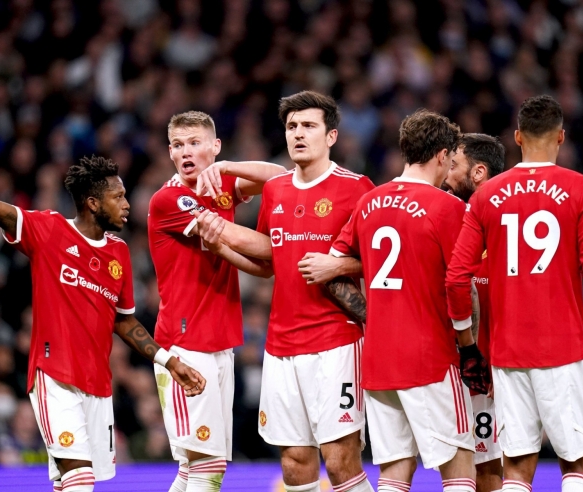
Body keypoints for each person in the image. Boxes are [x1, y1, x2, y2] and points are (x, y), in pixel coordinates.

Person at [0, 144, 205, 492]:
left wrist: (169, 361)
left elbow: (124, 321)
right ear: (93, 203)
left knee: (72, 483)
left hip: (98, 385)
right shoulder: (49, 230)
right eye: (118, 197)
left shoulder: (118, 252)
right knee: (80, 478)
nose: (127, 204)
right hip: (54, 376)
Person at [445, 95, 583, 492]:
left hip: (508, 351)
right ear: (561, 137)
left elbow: (457, 278)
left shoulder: (486, 195)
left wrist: (468, 348)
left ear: (517, 137)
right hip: (564, 346)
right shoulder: (582, 188)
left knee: (516, 468)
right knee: (577, 463)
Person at [194, 91, 376, 492]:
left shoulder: (357, 188)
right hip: (281, 344)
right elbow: (270, 261)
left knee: (340, 459)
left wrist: (339, 265)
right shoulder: (276, 190)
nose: (298, 134)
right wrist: (221, 246)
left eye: (309, 125)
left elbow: (382, 263)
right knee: (293, 462)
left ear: (331, 136)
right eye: (292, 126)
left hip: (336, 340)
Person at [326, 110, 480, 492]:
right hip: (431, 358)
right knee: (460, 465)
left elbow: (331, 269)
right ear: (442, 156)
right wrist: (471, 347)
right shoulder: (449, 207)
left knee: (395, 470)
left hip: (379, 360)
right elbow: (463, 285)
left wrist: (374, 317)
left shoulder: (369, 202)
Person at [147, 110, 282, 492]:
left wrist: (228, 168)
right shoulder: (169, 199)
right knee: (208, 467)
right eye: (178, 145)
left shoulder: (221, 184)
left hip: (219, 341)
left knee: (195, 468)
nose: (186, 151)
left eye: (195, 143)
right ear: (170, 153)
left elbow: (281, 177)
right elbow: (233, 237)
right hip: (186, 345)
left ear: (215, 146)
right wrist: (283, 247)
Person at [442, 133, 506, 492]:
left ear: (478, 172)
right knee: (460, 468)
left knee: (489, 468)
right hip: (452, 368)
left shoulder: (507, 224)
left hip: (491, 369)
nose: (446, 173)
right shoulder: (451, 217)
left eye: (454, 165)